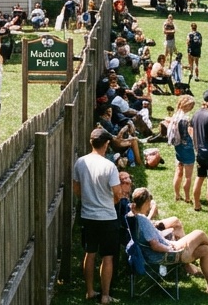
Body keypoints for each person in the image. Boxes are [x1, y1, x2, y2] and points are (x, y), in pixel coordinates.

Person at [129, 187, 208, 295]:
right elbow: (154, 245)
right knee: (200, 233)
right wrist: (169, 248)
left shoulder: (135, 217)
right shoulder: (143, 220)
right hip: (168, 254)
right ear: (147, 201)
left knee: (205, 249)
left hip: (162, 251)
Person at [72, 128, 124, 304]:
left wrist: (88, 200)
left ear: (91, 142)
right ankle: (105, 295)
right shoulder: (110, 166)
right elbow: (117, 193)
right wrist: (112, 202)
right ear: (107, 144)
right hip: (107, 217)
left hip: (87, 215)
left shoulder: (80, 162)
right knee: (108, 256)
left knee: (89, 253)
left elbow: (76, 188)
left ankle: (89, 291)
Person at [166, 95, 195, 203]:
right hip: (186, 148)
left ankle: (177, 195)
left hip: (177, 147)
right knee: (188, 176)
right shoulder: (185, 119)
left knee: (178, 172)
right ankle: (187, 197)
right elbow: (186, 135)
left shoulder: (176, 115)